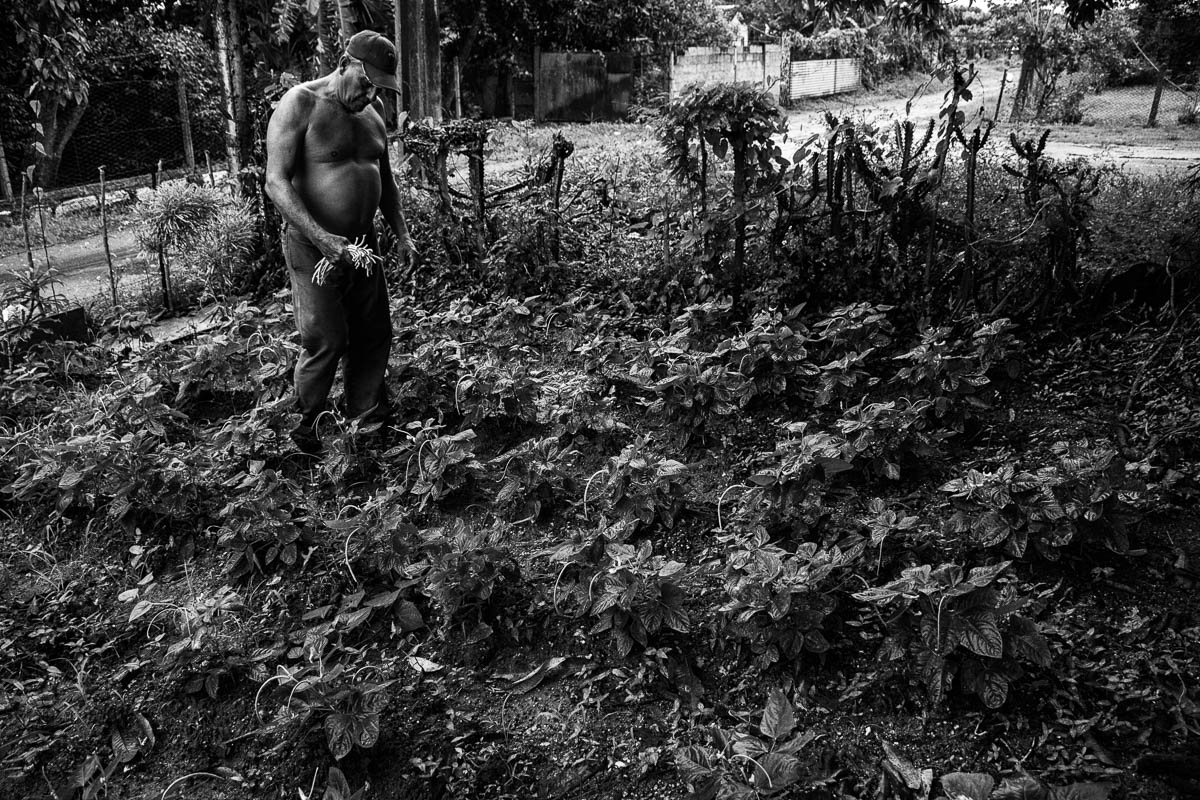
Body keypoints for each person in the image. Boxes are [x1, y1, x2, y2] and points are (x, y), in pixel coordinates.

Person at [265, 30, 414, 454]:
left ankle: (365, 418)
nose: (369, 95)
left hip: (364, 246)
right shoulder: (300, 103)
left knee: (374, 331)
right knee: (326, 337)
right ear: (344, 63)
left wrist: (401, 232)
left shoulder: (375, 112)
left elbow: (383, 179)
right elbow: (275, 182)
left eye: (377, 88)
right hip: (313, 247)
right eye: (365, 83)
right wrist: (321, 237)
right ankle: (304, 429)